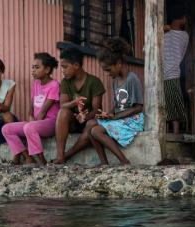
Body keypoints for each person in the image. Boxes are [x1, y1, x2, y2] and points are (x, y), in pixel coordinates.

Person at [90, 37, 144, 165]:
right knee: (90, 124)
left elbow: (138, 107)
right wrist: (108, 114)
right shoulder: (115, 81)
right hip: (120, 118)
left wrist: (115, 117)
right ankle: (104, 163)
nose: (107, 74)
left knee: (95, 131)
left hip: (133, 120)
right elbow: (117, 105)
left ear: (119, 63)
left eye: (108, 70)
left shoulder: (132, 79)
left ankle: (124, 161)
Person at [2, 53, 60, 165]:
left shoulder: (54, 85)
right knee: (7, 129)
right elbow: (31, 106)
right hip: (35, 123)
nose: (33, 70)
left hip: (50, 123)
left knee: (29, 127)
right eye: (32, 67)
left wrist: (33, 122)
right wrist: (30, 116)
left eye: (37, 67)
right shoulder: (36, 84)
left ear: (47, 69)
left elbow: (43, 111)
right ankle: (26, 155)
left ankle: (41, 159)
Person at [52, 48, 106, 164]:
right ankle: (60, 154)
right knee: (63, 112)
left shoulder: (94, 82)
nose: (62, 70)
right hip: (72, 121)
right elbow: (63, 105)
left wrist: (85, 117)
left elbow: (97, 110)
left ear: (76, 65)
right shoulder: (66, 82)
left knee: (92, 125)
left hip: (88, 121)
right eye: (62, 67)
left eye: (65, 67)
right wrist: (74, 102)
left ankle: (66, 156)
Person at [164, 5, 190, 134]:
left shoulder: (164, 33)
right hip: (172, 73)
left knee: (171, 104)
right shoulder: (185, 35)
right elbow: (182, 54)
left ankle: (174, 133)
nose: (186, 20)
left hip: (169, 73)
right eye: (185, 17)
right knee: (172, 103)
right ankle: (174, 132)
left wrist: (162, 30)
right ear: (181, 19)